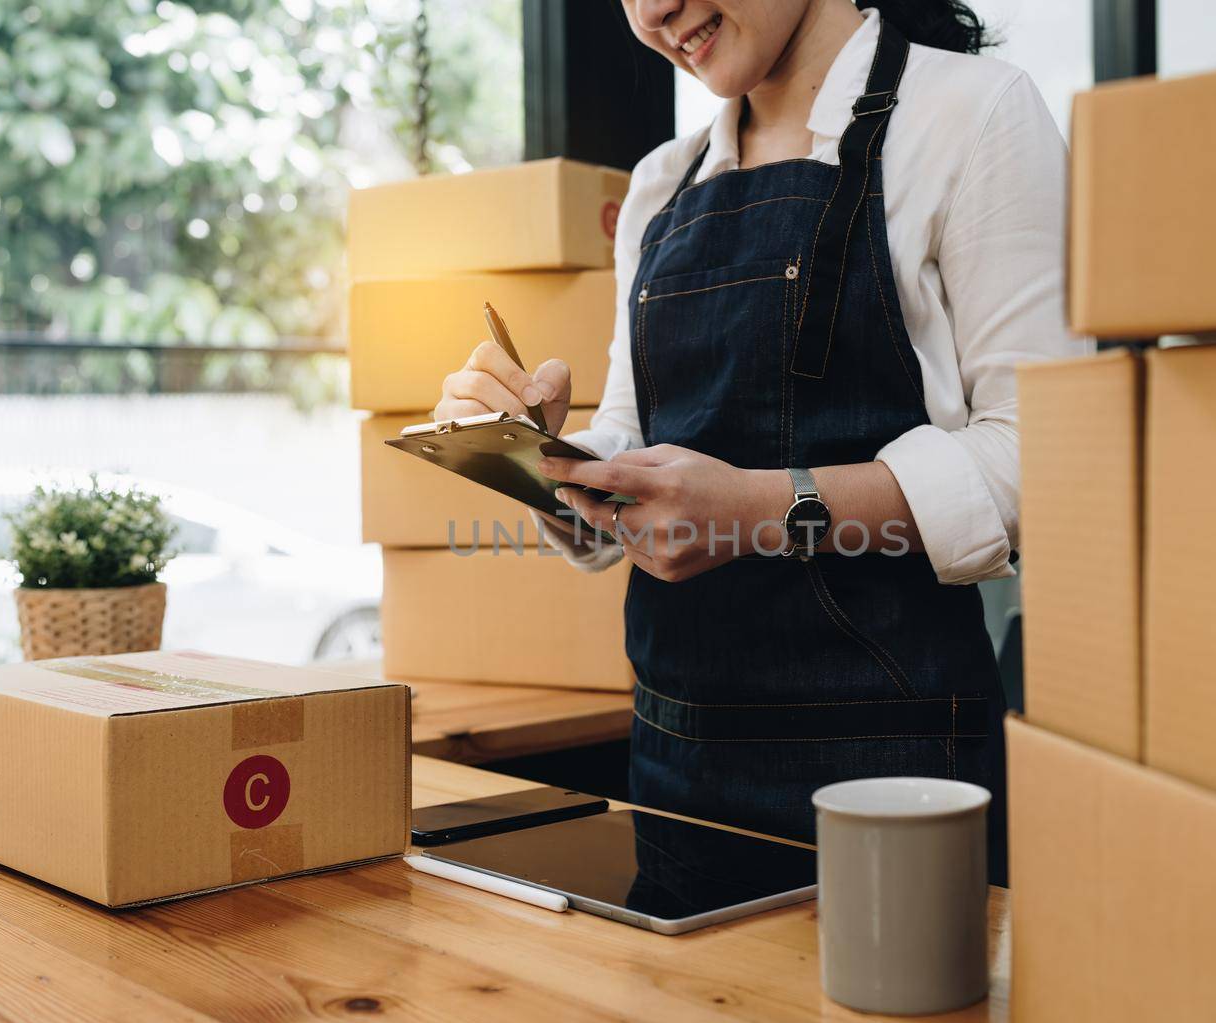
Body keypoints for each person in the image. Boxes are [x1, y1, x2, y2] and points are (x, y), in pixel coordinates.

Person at [433, 0, 1085, 884]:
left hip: (895, 771)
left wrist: (756, 514)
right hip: (672, 760)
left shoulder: (974, 115)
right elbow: (638, 438)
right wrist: (545, 461)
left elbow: (1044, 463)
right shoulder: (660, 187)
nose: (653, 10)